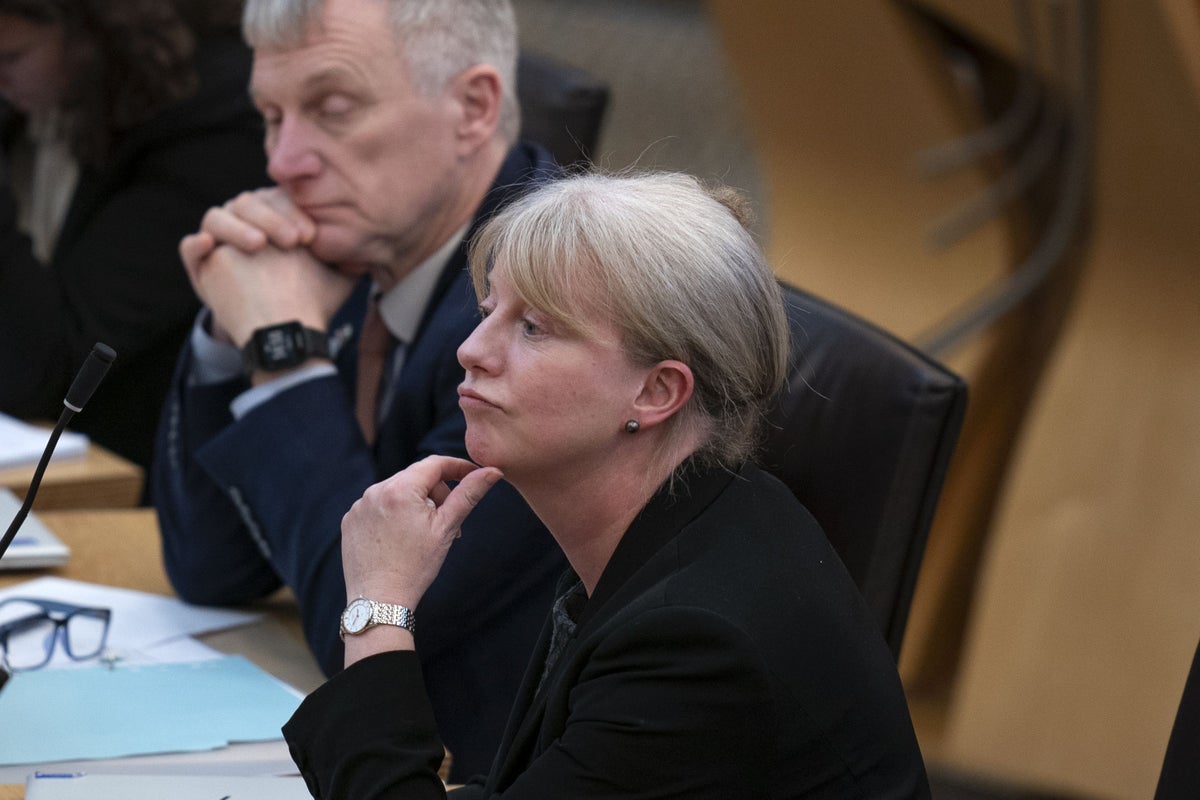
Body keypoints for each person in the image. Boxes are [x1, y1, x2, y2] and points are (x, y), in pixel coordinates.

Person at [283, 171, 933, 798]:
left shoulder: (697, 645)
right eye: (488, 311)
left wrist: (377, 609)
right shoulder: (668, 532)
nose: (472, 349)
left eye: (533, 327)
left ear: (656, 391)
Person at [151, 0, 564, 780]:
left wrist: (281, 353)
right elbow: (211, 570)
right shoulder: (368, 243)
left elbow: (369, 631)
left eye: (333, 109)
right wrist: (228, 336)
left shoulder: (549, 316)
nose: (284, 162)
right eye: (272, 117)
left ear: (473, 108)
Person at [0, 0, 267, 474]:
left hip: (136, 467)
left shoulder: (204, 127)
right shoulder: (29, 105)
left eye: (10, 58)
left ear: (86, 36)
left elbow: (53, 368)